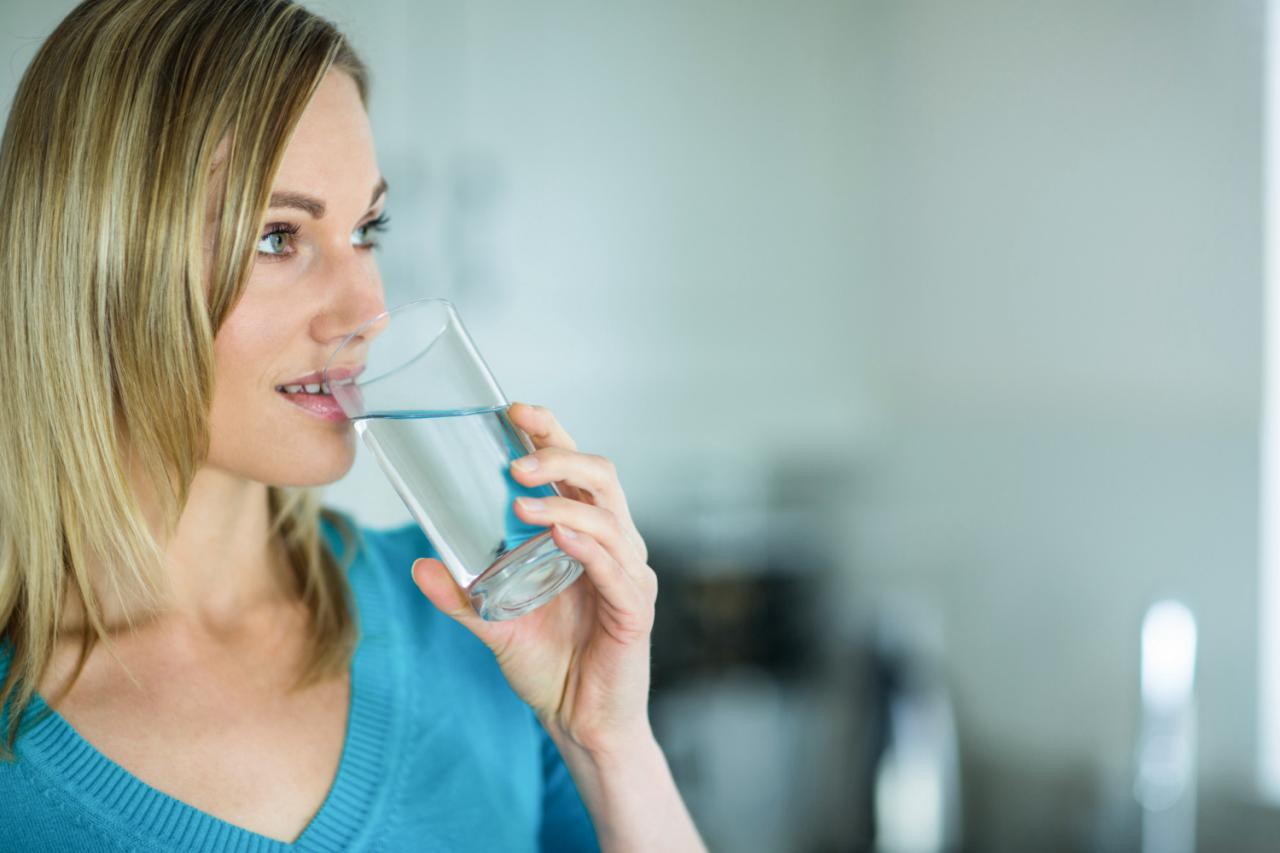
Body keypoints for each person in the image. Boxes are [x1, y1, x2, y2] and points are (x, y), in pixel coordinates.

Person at [0, 1, 706, 850]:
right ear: (96, 264)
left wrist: (609, 742)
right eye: (277, 237)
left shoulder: (478, 625)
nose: (367, 308)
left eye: (368, 229)